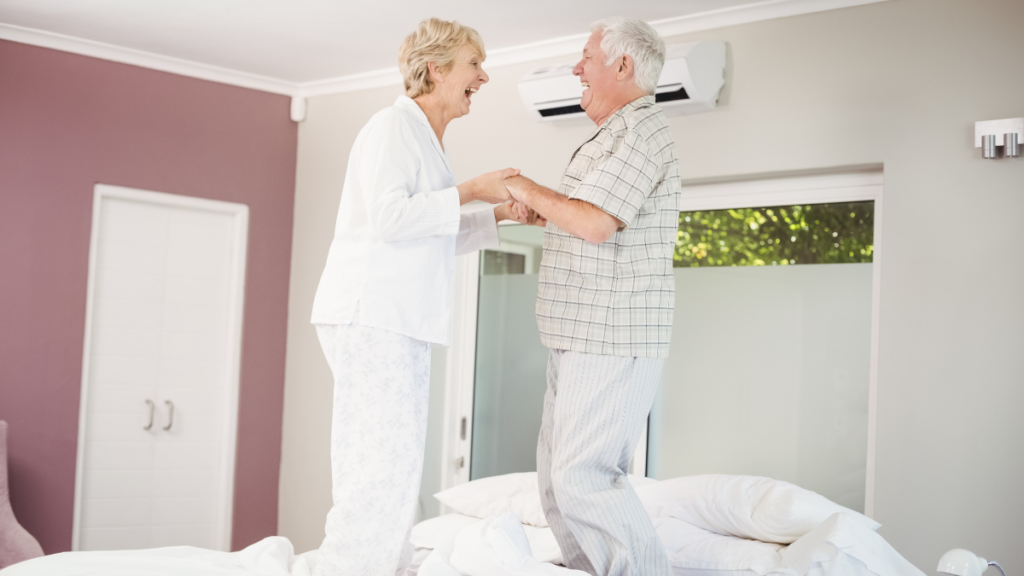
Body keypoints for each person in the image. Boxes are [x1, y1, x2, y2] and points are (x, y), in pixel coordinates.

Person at [309, 18, 536, 576]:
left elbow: (426, 230)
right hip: (373, 315)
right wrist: (472, 190)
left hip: (398, 320)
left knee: (396, 466)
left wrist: (497, 213)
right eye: (473, 65)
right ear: (436, 69)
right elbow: (390, 220)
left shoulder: (427, 142)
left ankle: (382, 565)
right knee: (377, 467)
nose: (483, 77)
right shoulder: (392, 128)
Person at [504, 17, 682, 576]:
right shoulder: (611, 137)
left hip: (611, 334)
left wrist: (522, 184)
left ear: (623, 66)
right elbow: (584, 219)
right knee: (557, 481)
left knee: (584, 477)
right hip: (576, 334)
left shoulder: (642, 131)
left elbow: (598, 224)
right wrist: (547, 212)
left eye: (586, 57)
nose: (576, 69)